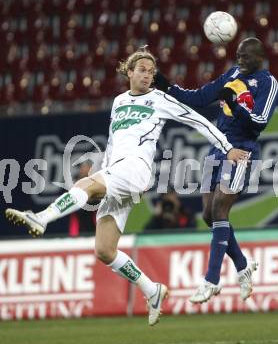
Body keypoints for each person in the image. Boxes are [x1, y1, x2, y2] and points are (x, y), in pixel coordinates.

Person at [5, 46, 248, 326]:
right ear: (129, 72)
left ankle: (42, 218)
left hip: (136, 168)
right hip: (116, 169)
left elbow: (198, 121)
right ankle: (152, 290)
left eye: (151, 72)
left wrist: (227, 147)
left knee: (86, 184)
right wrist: (105, 168)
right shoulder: (119, 101)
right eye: (142, 70)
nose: (147, 75)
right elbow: (113, 141)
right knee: (105, 250)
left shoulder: (160, 98)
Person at [154, 37, 278, 304]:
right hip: (218, 146)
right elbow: (199, 97)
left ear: (260, 57)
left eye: (246, 57)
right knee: (209, 216)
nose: (240, 61)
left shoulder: (268, 83)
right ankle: (243, 265)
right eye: (238, 56)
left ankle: (211, 281)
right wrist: (167, 87)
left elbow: (259, 122)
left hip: (242, 150)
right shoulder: (233, 73)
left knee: (221, 210)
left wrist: (233, 103)